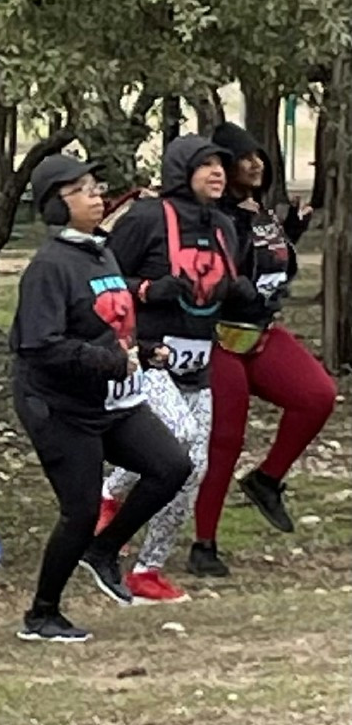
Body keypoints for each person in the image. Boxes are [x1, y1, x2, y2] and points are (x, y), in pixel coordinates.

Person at [11, 156, 194, 639]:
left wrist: (144, 351)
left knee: (172, 465)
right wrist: (110, 362)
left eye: (96, 186)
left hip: (110, 400)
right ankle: (42, 614)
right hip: (58, 407)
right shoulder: (49, 266)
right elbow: (39, 345)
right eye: (81, 190)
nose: (96, 196)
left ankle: (104, 550)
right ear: (54, 205)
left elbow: (107, 326)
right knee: (81, 509)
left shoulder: (100, 252)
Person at [98, 134, 251, 588]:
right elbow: (99, 281)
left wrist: (242, 298)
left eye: (221, 165)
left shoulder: (224, 225)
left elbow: (222, 285)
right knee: (179, 438)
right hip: (147, 355)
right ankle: (108, 496)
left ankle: (148, 568)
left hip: (199, 360)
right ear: (181, 169)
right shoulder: (145, 217)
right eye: (206, 165)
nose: (218, 172)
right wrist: (146, 290)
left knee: (195, 466)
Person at [193, 122, 336, 544]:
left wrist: (291, 230)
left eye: (258, 156)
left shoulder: (259, 210)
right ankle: (205, 543)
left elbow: (268, 266)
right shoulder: (216, 216)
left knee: (317, 396)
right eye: (244, 158)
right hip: (221, 340)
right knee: (226, 441)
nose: (255, 164)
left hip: (263, 333)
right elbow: (225, 267)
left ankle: (266, 480)